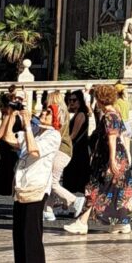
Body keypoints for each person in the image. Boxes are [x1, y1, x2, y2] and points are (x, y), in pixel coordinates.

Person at [64, 83, 132, 236]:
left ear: (100, 99)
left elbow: (111, 138)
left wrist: (111, 159)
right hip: (118, 156)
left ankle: (82, 222)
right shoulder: (116, 113)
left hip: (109, 157)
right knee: (118, 189)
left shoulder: (109, 115)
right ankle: (122, 223)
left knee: (94, 188)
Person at [7, 103, 60, 263]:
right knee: (19, 235)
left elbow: (34, 150)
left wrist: (28, 124)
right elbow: (8, 139)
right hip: (22, 186)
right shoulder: (36, 131)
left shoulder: (53, 136)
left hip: (37, 189)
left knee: (31, 236)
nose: (44, 113)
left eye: (49, 112)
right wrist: (10, 115)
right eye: (44, 110)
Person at [43, 94, 83, 222]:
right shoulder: (64, 111)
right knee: (51, 179)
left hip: (60, 150)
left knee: (52, 181)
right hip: (64, 150)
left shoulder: (57, 112)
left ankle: (74, 200)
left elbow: (54, 131)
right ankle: (48, 210)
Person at [62, 90, 92, 193]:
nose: (71, 102)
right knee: (76, 179)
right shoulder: (77, 114)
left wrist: (62, 143)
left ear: (80, 101)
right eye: (70, 100)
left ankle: (74, 202)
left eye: (74, 100)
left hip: (78, 150)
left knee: (75, 178)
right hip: (78, 149)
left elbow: (73, 135)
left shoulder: (80, 115)